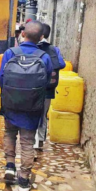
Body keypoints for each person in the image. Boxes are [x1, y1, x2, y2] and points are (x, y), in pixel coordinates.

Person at [0, 21, 53, 191]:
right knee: (28, 143)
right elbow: (48, 82)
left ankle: (10, 166)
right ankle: (23, 180)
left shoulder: (10, 53)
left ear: (23, 34)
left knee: (9, 134)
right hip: (32, 108)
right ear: (41, 38)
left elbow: (0, 79)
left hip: (11, 105)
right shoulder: (44, 57)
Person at [35, 23, 66, 151]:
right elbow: (61, 64)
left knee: (32, 113)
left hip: (33, 87)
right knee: (43, 114)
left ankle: (32, 141)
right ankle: (40, 140)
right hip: (48, 88)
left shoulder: (33, 47)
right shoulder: (54, 49)